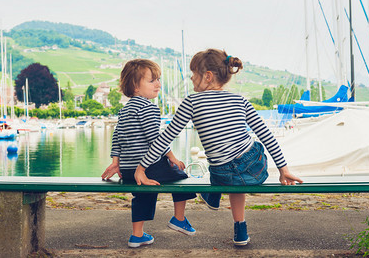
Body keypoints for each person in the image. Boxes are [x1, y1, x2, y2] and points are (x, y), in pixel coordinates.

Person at [135, 49, 303, 246]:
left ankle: (213, 194)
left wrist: (142, 167)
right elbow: (267, 136)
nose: (190, 77)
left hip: (221, 173)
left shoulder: (191, 102)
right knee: (251, 150)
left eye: (193, 73)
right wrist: (284, 170)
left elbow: (165, 138)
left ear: (207, 77)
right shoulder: (240, 100)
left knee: (222, 165)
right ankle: (240, 229)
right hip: (252, 171)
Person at [101, 59, 196, 248]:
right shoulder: (148, 108)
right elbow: (156, 140)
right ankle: (178, 218)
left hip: (128, 170)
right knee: (182, 178)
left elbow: (117, 138)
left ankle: (137, 235)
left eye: (158, 80)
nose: (158, 84)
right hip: (148, 167)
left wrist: (115, 162)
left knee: (142, 194)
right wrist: (173, 158)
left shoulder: (124, 110)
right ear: (135, 86)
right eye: (152, 81)